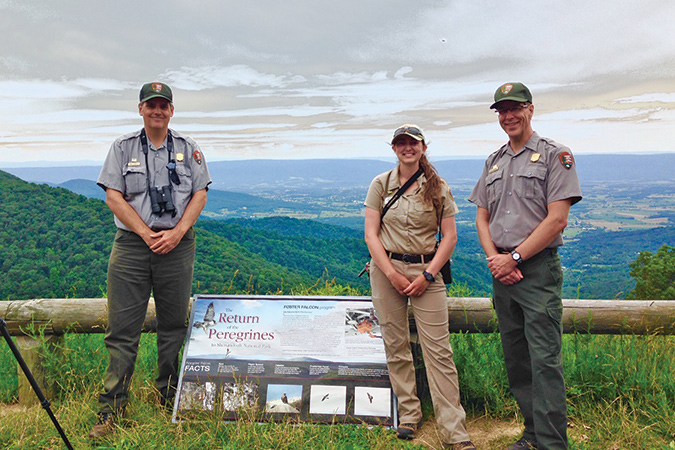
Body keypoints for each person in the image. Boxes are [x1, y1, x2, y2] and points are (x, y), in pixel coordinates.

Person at [89, 82, 211, 439]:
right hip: (131, 246)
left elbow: (200, 195)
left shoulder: (189, 149)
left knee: (173, 326)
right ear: (140, 109)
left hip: (178, 244)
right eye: (151, 105)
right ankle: (111, 411)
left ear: (172, 110)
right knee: (122, 331)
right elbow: (113, 197)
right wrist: (145, 233)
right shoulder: (122, 147)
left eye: (163, 105)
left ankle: (170, 402)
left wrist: (175, 234)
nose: (157, 111)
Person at [468, 83, 582, 450]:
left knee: (544, 361)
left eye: (515, 108)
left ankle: (552, 444)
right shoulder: (494, 160)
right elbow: (482, 218)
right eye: (501, 110)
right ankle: (532, 434)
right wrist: (496, 260)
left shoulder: (555, 155)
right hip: (502, 272)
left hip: (536, 271)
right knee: (517, 359)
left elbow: (557, 220)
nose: (508, 116)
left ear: (530, 109)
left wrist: (515, 258)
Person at [364, 125, 475, 450]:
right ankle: (409, 415)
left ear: (423, 147)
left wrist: (428, 275)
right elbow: (371, 235)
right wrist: (393, 274)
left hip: (429, 271)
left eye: (412, 143)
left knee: (439, 352)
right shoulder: (380, 184)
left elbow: (450, 237)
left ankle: (455, 431)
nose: (407, 148)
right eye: (401, 143)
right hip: (387, 270)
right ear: (394, 148)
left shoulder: (438, 187)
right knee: (396, 345)